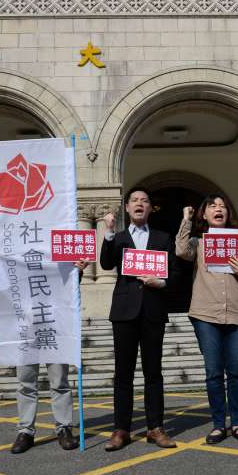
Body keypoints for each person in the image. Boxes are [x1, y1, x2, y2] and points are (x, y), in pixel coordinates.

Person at [0, 244, 87, 453]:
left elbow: (67, 285)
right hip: (23, 327)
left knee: (59, 381)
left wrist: (76, 270)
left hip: (53, 325)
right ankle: (25, 430)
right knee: (25, 382)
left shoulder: (51, 246)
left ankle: (64, 428)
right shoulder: (13, 248)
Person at [175, 194, 238, 445]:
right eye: (213, 206)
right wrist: (186, 220)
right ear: (205, 214)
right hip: (206, 313)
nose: (218, 209)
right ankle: (218, 424)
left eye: (222, 206)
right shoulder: (199, 244)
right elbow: (181, 250)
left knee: (235, 370)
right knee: (213, 372)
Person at [99, 187, 176, 451]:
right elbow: (107, 264)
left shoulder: (163, 237)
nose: (139, 204)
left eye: (145, 200)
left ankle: (156, 427)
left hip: (153, 311)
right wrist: (107, 232)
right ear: (128, 208)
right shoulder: (118, 237)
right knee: (123, 373)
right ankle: (121, 429)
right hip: (124, 312)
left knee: (153, 372)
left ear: (150, 207)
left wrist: (161, 282)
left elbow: (174, 273)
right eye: (134, 200)